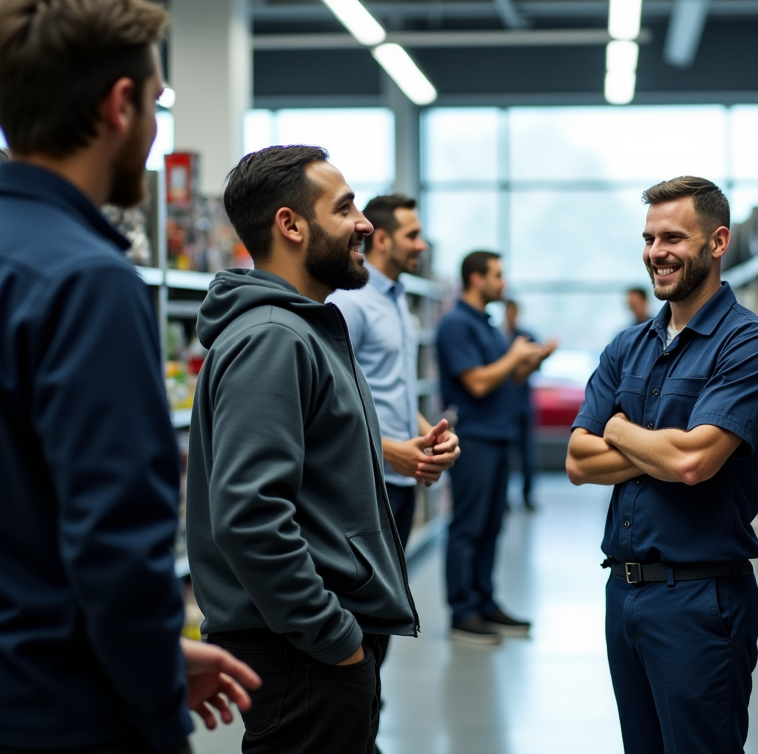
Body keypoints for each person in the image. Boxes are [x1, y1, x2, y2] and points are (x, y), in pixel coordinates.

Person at [0, 0, 260, 752]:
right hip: (60, 714)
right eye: (156, 103)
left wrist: (156, 650)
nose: (157, 131)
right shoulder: (89, 278)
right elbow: (115, 539)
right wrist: (155, 708)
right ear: (120, 104)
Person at [187, 146, 418, 754]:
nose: (365, 224)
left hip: (310, 646)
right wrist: (333, 636)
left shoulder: (301, 329)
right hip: (302, 652)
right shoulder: (273, 339)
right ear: (290, 225)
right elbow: (250, 514)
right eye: (344, 209)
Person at [565, 176, 758, 754]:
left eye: (673, 237)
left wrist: (615, 427)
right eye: (648, 238)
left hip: (701, 601)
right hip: (625, 591)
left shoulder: (749, 346)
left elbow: (692, 462)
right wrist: (653, 450)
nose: (656, 253)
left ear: (717, 243)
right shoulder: (627, 346)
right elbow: (577, 460)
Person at [328, 194, 461, 549]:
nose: (421, 245)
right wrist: (388, 451)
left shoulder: (398, 297)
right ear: (382, 239)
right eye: (412, 235)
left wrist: (432, 437)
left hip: (401, 481)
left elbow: (391, 386)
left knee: (393, 596)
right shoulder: (349, 302)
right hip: (366, 483)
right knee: (367, 598)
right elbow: (330, 401)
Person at [436, 252, 555, 644]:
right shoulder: (456, 324)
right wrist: (514, 357)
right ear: (475, 278)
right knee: (468, 526)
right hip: (473, 439)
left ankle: (485, 603)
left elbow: (508, 379)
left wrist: (530, 362)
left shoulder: (487, 326)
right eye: (497, 275)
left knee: (491, 526)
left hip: (498, 436)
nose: (503, 283)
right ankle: (463, 612)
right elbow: (478, 383)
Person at [503, 299, 540, 511]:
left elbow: (534, 364)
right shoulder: (499, 336)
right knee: (506, 455)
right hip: (505, 406)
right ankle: (504, 498)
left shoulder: (526, 337)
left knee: (527, 453)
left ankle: (527, 496)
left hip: (523, 404)